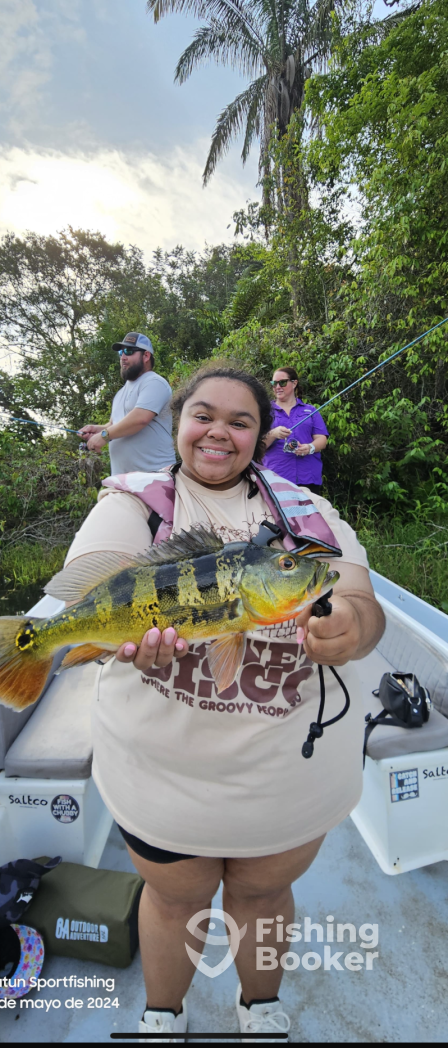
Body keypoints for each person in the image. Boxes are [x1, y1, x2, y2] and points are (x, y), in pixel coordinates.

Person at [62, 365, 384, 1039]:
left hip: (288, 782)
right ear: (178, 424)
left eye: (240, 422)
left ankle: (259, 1007)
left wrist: (354, 626)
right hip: (163, 781)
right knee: (173, 900)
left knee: (264, 895)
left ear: (261, 436)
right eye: (202, 415)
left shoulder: (306, 510)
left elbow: (360, 599)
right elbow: (93, 589)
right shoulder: (134, 502)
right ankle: (163, 1014)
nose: (218, 432)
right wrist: (110, 635)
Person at [77, 331, 176, 474]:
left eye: (129, 351)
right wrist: (97, 429)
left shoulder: (154, 382)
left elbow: (140, 418)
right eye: (121, 352)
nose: (123, 357)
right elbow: (114, 424)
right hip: (122, 480)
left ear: (146, 356)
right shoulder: (120, 394)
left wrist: (104, 435)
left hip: (155, 476)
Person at [263, 367, 329, 494]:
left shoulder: (310, 411)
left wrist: (310, 447)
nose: (277, 387)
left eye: (282, 382)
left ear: (294, 383)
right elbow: (257, 445)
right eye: (274, 383)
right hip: (275, 478)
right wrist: (273, 434)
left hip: (308, 477)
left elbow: (322, 439)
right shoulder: (265, 412)